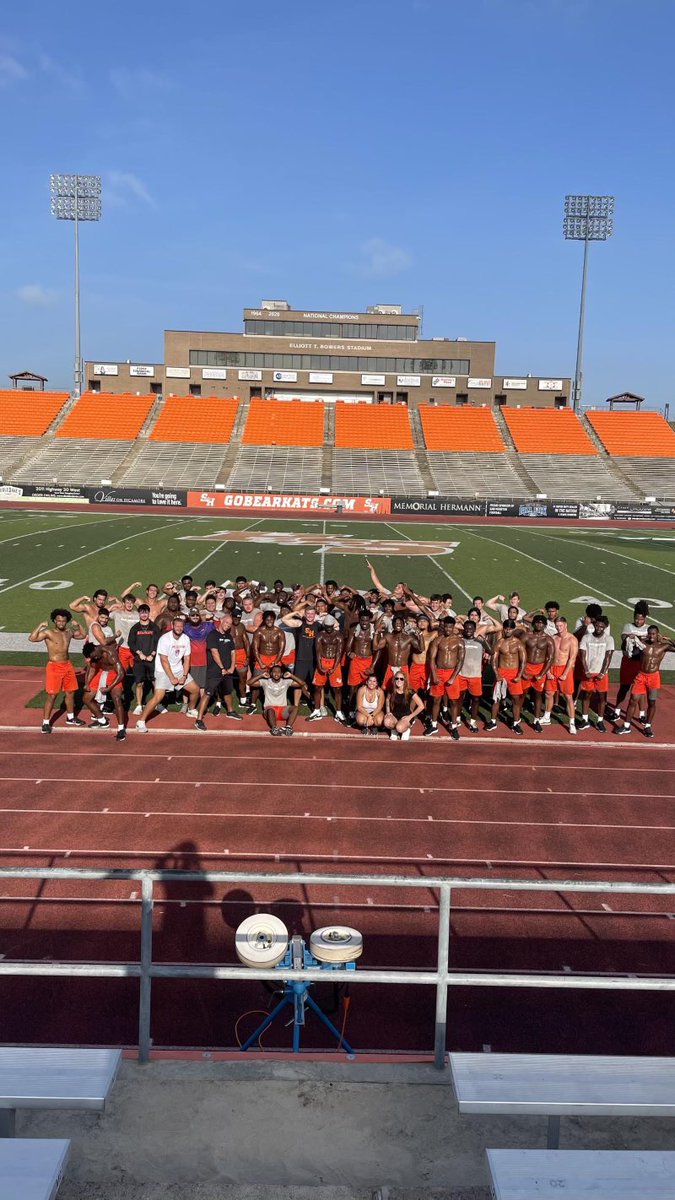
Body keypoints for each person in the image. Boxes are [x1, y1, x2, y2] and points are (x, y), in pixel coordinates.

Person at [136, 615, 200, 732]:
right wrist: (172, 678)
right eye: (177, 626)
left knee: (195, 690)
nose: (179, 628)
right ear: (172, 626)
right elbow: (163, 660)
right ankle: (141, 721)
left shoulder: (185, 639)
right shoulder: (164, 639)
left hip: (179, 670)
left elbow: (186, 659)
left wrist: (184, 675)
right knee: (158, 697)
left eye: (181, 626)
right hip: (163, 671)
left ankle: (191, 710)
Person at [29, 608, 86, 733]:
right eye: (59, 620)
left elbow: (82, 635)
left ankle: (70, 717)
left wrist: (79, 625)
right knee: (52, 695)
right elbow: (32, 638)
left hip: (67, 665)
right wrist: (40, 626)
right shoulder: (48, 632)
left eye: (63, 621)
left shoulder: (69, 632)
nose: (61, 623)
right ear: (54, 620)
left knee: (70, 692)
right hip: (54, 666)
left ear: (67, 621)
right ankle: (45, 723)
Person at [616, 626, 675, 738]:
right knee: (633, 700)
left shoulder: (664, 646)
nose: (651, 636)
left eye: (653, 634)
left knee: (652, 702)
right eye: (650, 634)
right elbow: (625, 643)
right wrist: (629, 637)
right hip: (641, 676)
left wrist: (669, 639)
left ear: (657, 634)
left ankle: (647, 726)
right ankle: (627, 725)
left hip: (654, 677)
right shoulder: (643, 643)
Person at [195, 612, 241, 728]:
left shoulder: (229, 636)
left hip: (227, 670)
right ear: (221, 621)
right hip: (215, 670)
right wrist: (222, 668)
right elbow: (214, 653)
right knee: (208, 693)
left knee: (227, 691)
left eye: (230, 624)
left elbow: (233, 652)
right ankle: (199, 719)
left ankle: (230, 711)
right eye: (226, 622)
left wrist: (231, 667)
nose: (228, 625)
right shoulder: (212, 635)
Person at [607, 603, 649, 722]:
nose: (638, 621)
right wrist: (636, 638)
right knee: (624, 687)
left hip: (641, 663)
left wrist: (638, 638)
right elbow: (624, 638)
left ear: (645, 618)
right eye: (636, 618)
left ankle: (641, 714)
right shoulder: (628, 626)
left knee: (640, 689)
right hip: (628, 661)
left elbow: (653, 639)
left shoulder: (648, 628)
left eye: (641, 619)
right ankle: (617, 711)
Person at [427, 616, 464, 739]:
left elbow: (460, 661)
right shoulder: (438, 640)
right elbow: (432, 658)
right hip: (439, 672)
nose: (448, 629)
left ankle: (453, 726)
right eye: (446, 626)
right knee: (436, 700)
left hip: (451, 672)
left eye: (450, 626)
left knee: (453, 701)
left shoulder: (459, 641)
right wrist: (434, 674)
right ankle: (433, 724)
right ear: (443, 627)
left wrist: (453, 677)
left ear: (453, 627)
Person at [487, 620, 525, 734]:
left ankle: (516, 723)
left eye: (510, 629)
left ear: (513, 630)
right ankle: (493, 721)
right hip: (502, 672)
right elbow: (493, 660)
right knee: (496, 699)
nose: (508, 630)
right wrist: (497, 674)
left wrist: (519, 675)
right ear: (503, 629)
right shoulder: (499, 643)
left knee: (515, 699)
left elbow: (523, 661)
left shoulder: (518, 643)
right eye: (506, 628)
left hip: (514, 672)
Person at [249, 664, 311, 735]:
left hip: (282, 711)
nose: (276, 673)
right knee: (270, 710)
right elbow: (249, 683)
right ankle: (274, 728)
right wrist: (261, 675)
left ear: (282, 674)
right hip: (270, 711)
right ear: (271, 673)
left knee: (295, 708)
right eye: (274, 672)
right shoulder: (265, 682)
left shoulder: (286, 681)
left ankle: (288, 727)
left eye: (279, 672)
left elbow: (302, 683)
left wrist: (291, 675)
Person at [82, 644, 127, 740]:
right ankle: (102, 720)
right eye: (93, 657)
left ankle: (121, 728)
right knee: (86, 698)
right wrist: (87, 683)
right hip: (101, 672)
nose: (96, 658)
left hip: (114, 673)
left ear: (95, 649)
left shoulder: (110, 653)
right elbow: (92, 669)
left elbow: (121, 673)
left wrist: (109, 688)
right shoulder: (93, 657)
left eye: (95, 655)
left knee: (116, 699)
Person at [578, 615, 615, 731]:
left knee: (602, 697)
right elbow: (582, 655)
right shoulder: (586, 638)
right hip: (589, 672)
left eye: (601, 626)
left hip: (601, 673)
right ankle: (584, 719)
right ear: (594, 625)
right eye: (597, 625)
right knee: (586, 695)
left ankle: (600, 721)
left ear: (605, 627)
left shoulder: (609, 639)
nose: (599, 628)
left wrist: (602, 673)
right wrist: (586, 670)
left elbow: (608, 657)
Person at [543, 616, 578, 734]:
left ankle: (572, 723)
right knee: (549, 693)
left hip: (565, 669)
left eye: (561, 626)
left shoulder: (572, 639)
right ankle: (547, 717)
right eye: (557, 626)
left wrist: (565, 673)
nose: (559, 628)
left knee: (568, 696)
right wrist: (547, 671)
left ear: (566, 625)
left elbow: (572, 658)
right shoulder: (553, 638)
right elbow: (547, 656)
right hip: (552, 668)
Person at [522, 615, 555, 732]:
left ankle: (536, 720)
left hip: (540, 668)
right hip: (527, 667)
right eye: (537, 622)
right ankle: (516, 719)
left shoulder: (548, 639)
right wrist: (522, 671)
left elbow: (550, 658)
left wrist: (542, 673)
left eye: (541, 623)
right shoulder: (526, 636)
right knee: (521, 694)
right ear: (533, 624)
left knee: (538, 695)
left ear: (545, 625)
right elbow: (520, 653)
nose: (539, 624)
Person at [310, 616, 346, 723]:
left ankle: (338, 712)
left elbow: (339, 652)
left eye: (331, 626)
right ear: (324, 625)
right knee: (317, 687)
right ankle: (317, 711)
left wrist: (334, 667)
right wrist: (320, 665)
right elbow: (318, 651)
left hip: (334, 662)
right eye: (327, 626)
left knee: (338, 688)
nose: (329, 628)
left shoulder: (339, 636)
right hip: (323, 661)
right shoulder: (320, 635)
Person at [373, 615, 423, 690]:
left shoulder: (409, 638)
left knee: (403, 689)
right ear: (393, 625)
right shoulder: (388, 637)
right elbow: (375, 647)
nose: (398, 625)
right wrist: (376, 633)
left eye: (400, 623)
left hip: (403, 668)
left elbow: (421, 649)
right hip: (390, 667)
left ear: (403, 625)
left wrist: (420, 635)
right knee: (385, 688)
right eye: (396, 623)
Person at [456, 619, 488, 733]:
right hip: (462, 674)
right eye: (466, 628)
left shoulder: (479, 642)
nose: (468, 630)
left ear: (475, 629)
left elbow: (492, 651)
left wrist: (484, 641)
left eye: (471, 628)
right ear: (464, 629)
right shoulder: (460, 640)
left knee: (475, 699)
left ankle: (472, 721)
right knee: (459, 698)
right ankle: (458, 718)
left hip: (475, 676)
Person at [128, 604, 160, 714]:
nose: (144, 614)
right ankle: (139, 705)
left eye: (146, 612)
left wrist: (152, 654)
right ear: (139, 614)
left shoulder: (154, 627)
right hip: (139, 660)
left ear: (149, 613)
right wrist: (139, 653)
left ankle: (158, 703)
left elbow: (158, 642)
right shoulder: (135, 628)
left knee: (155, 682)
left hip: (152, 659)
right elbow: (131, 642)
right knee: (139, 683)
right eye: (142, 612)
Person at [346, 613, 376, 712]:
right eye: (362, 620)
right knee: (352, 687)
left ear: (370, 620)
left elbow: (377, 650)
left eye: (366, 620)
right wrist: (349, 652)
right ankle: (351, 710)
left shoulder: (374, 630)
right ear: (359, 620)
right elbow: (348, 645)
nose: (364, 623)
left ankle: (366, 711)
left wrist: (373, 666)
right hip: (356, 660)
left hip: (368, 660)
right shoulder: (354, 629)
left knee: (367, 687)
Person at [383, 672, 424, 740]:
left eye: (401, 679)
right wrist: (388, 712)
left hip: (406, 716)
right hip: (394, 715)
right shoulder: (392, 690)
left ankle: (406, 730)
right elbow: (387, 699)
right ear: (394, 680)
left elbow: (421, 706)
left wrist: (410, 717)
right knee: (386, 722)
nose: (399, 680)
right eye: (397, 678)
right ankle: (394, 730)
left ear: (405, 680)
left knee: (400, 728)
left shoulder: (409, 691)